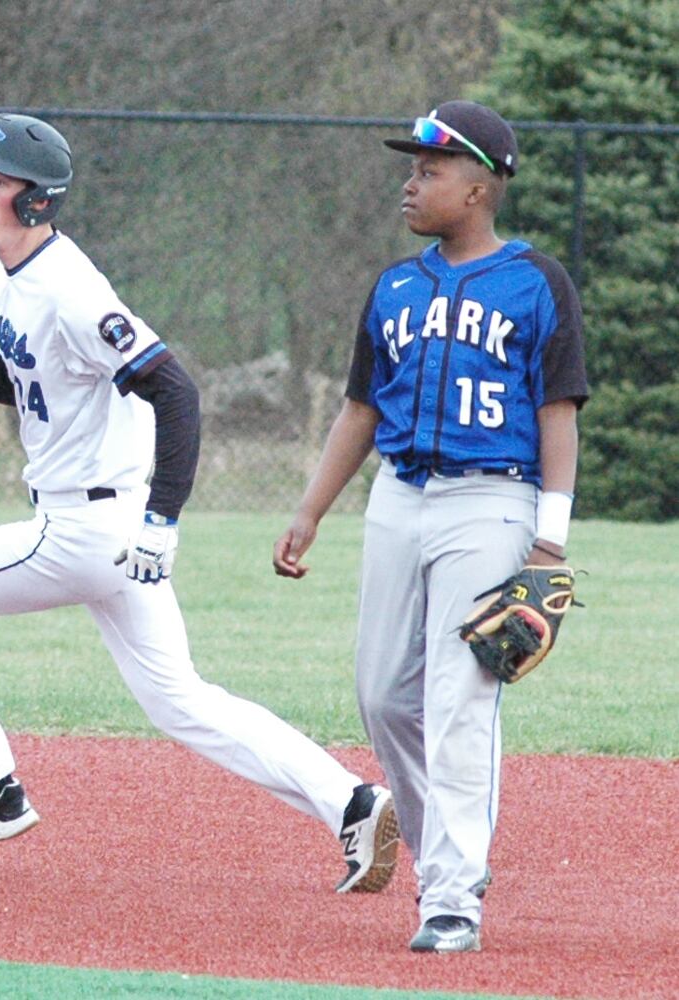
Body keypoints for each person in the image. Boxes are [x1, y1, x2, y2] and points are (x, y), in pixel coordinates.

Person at [0, 113, 399, 897]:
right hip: (103, 531)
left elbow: (174, 388)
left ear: (38, 202)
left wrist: (163, 520)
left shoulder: (72, 290)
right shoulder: (6, 274)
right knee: (182, 702)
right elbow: (20, 384)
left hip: (87, 529)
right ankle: (353, 802)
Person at [272, 101, 589, 952]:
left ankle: (451, 895)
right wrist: (310, 510)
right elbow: (360, 408)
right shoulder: (395, 287)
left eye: (430, 170)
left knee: (461, 695)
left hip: (493, 499)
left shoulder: (536, 282)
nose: (411, 184)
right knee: (382, 694)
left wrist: (548, 539)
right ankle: (445, 843)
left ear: (479, 187)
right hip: (399, 497)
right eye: (412, 169)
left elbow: (558, 412)